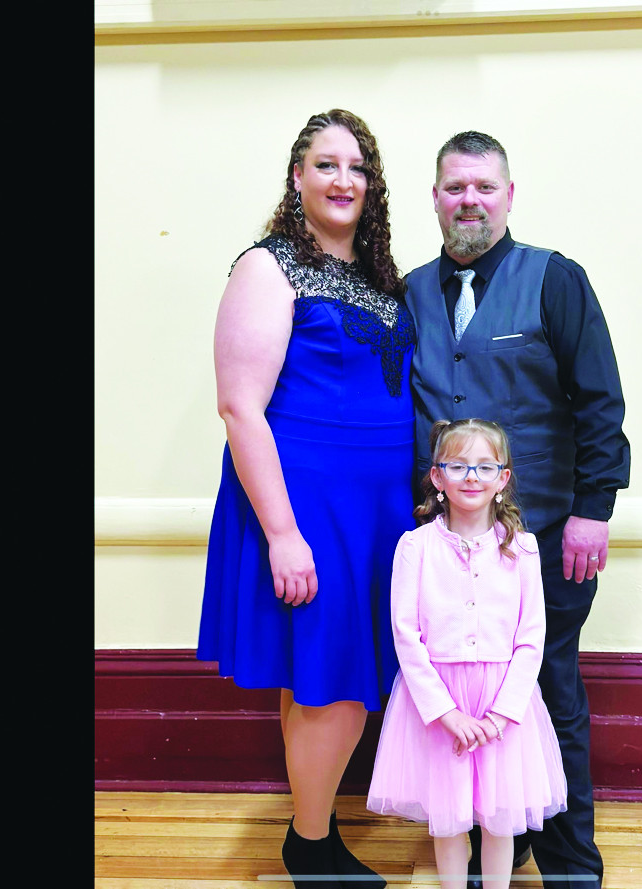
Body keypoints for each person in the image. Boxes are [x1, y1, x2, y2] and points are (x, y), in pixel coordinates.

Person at [195, 109, 416, 889]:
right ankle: (310, 845)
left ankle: (312, 836)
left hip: (379, 510)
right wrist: (283, 533)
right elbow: (239, 407)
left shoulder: (378, 277)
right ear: (297, 177)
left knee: (322, 677)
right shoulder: (268, 266)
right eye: (326, 164)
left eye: (358, 167)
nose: (343, 180)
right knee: (341, 682)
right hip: (308, 506)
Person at [403, 132, 630, 889]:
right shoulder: (410, 293)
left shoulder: (554, 279)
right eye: (454, 186)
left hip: (545, 532)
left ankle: (570, 866)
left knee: (545, 686)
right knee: (463, 689)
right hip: (448, 543)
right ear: (435, 196)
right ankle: (494, 845)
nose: (469, 200)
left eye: (484, 187)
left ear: (508, 195)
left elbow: (600, 400)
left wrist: (593, 509)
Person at [367, 418, 568, 889]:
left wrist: (500, 716)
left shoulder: (523, 549)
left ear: (504, 478)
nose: (471, 477)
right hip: (440, 703)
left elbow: (531, 637)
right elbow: (406, 636)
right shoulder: (414, 548)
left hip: (504, 703)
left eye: (484, 467)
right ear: (437, 477)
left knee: (500, 819)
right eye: (457, 466)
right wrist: (446, 714)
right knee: (451, 816)